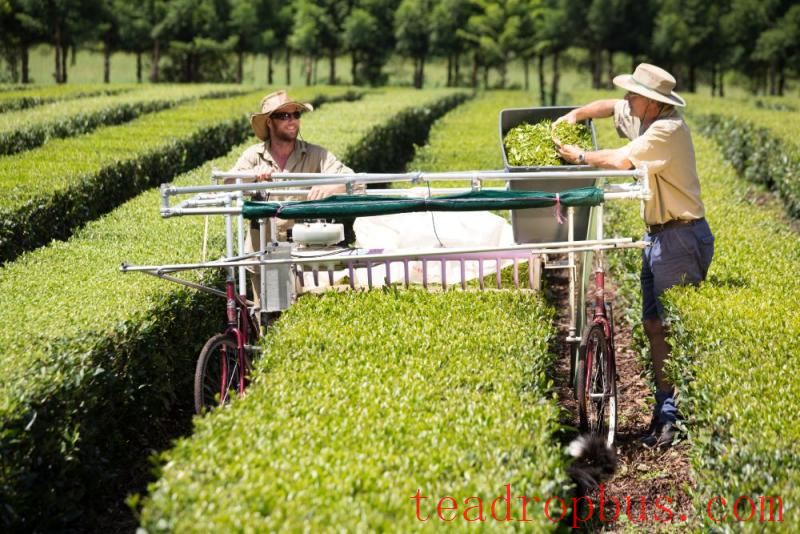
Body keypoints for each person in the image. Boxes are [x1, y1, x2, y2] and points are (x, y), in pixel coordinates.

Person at [555, 63, 714, 448]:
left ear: (652, 102)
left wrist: (579, 157)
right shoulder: (645, 117)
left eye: (633, 94)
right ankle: (665, 413)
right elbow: (610, 106)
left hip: (679, 237)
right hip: (659, 237)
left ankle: (676, 418)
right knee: (653, 326)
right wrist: (574, 115)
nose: (627, 99)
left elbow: (620, 160)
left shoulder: (666, 131)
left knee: (670, 329)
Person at [227, 89, 361, 315]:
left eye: (296, 115)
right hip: (266, 253)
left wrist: (330, 187)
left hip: (307, 253)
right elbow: (228, 183)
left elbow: (356, 183)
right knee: (270, 319)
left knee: (307, 318)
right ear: (269, 122)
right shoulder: (253, 156)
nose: (292, 121)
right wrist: (252, 176)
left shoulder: (317, 155)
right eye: (284, 116)